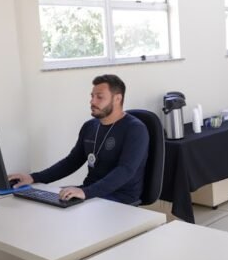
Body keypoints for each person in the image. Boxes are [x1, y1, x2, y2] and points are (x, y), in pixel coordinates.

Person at [9, 74, 149, 204]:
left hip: (120, 197)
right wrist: (33, 178)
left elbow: (125, 171)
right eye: (92, 96)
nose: (92, 101)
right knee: (38, 203)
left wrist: (86, 192)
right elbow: (71, 162)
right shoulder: (90, 126)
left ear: (117, 99)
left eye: (99, 97)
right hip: (90, 191)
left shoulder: (135, 129)